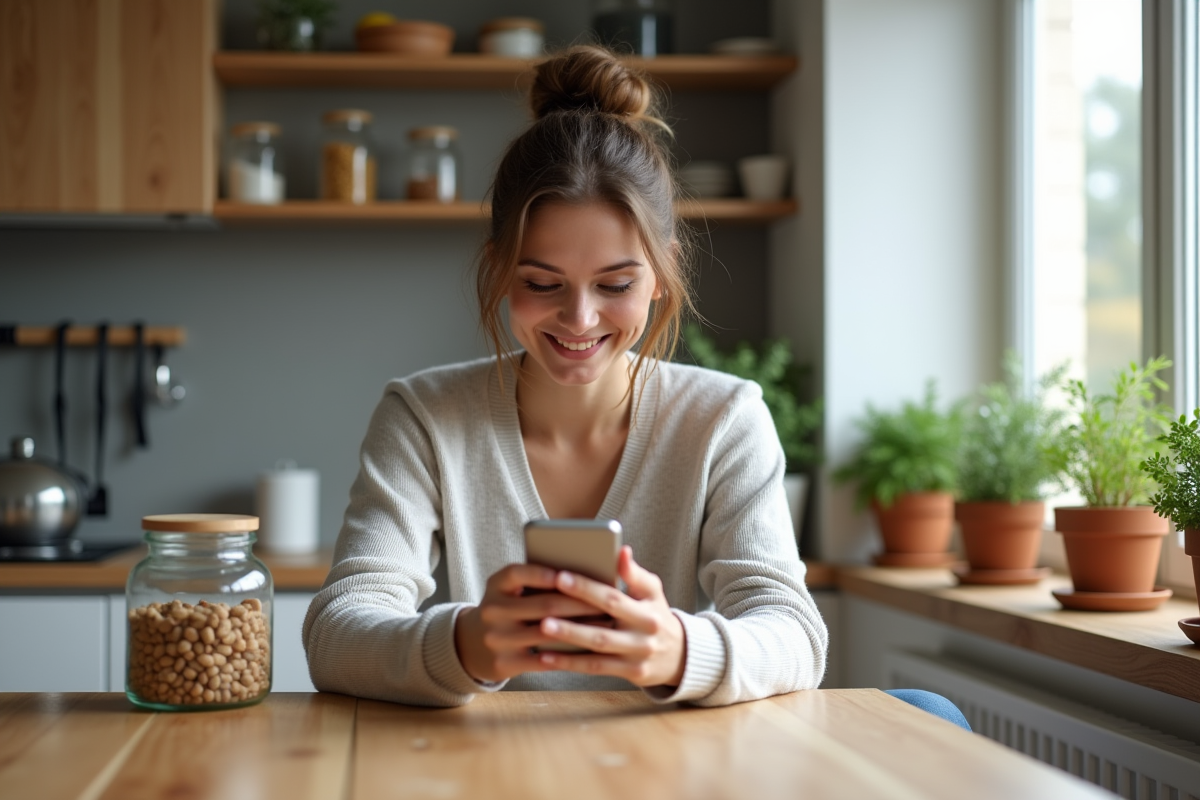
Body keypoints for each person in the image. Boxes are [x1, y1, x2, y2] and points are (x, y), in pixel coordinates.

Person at [301, 44, 830, 708]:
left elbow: (795, 633)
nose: (579, 319)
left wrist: (678, 649)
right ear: (498, 269)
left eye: (615, 283)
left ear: (662, 274)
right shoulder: (424, 417)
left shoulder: (724, 419)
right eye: (541, 282)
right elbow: (335, 632)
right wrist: (464, 644)